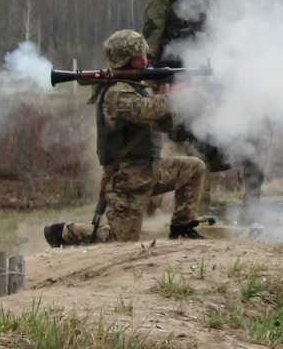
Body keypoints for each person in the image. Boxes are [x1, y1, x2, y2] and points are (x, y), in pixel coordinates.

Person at [43, 30, 206, 247]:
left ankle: (182, 228)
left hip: (151, 170)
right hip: (126, 180)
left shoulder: (138, 89)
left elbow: (166, 125)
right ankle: (64, 232)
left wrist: (164, 94)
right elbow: (142, 111)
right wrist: (168, 96)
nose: (146, 61)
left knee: (194, 169)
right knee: (121, 241)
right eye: (140, 57)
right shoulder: (116, 92)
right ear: (126, 59)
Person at [141, 0, 266, 217]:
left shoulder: (204, 0)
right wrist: (159, 85)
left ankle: (251, 214)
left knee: (255, 141)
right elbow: (148, 50)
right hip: (174, 90)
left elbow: (217, 43)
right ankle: (189, 219)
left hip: (207, 89)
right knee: (192, 151)